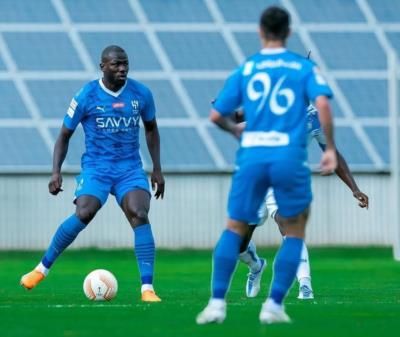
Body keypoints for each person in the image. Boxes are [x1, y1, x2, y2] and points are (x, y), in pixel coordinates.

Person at [196, 5, 337, 325]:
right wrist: (329, 149)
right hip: (289, 158)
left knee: (234, 228)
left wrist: (235, 130)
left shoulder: (248, 68)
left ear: (261, 32)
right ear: (288, 32)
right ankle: (274, 305)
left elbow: (217, 114)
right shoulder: (302, 69)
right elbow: (324, 104)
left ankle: (216, 304)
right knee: (295, 230)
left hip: (253, 157)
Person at [20, 45, 164, 302]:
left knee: (139, 213)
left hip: (129, 168)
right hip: (97, 168)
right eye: (116, 64)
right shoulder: (86, 95)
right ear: (102, 67)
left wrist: (157, 168)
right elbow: (64, 135)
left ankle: (147, 289)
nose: (122, 69)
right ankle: (40, 270)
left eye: (125, 64)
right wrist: (56, 172)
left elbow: (151, 129)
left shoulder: (141, 93)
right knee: (84, 212)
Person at [238, 105, 369, 300]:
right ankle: (256, 266)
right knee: (239, 243)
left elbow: (333, 153)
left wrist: (354, 188)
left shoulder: (314, 118)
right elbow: (236, 116)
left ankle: (305, 285)